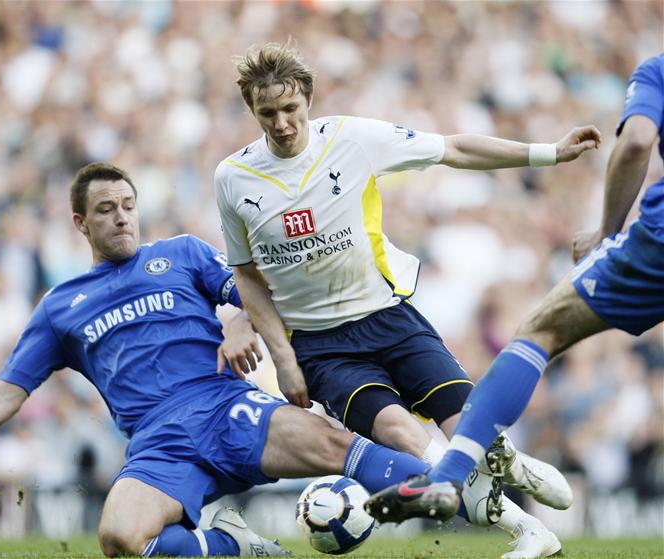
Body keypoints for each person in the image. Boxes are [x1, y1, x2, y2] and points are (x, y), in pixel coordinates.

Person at [0, 162, 462, 558]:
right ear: (81, 223)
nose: (122, 217)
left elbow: (260, 292)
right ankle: (231, 546)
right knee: (120, 540)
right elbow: (11, 387)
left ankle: (457, 491)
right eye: (105, 209)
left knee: (340, 448)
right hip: (158, 441)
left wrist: (236, 322)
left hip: (222, 405)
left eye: (128, 205)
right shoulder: (61, 307)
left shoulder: (180, 255)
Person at [214, 42, 600, 558]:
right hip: (321, 346)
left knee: (467, 429)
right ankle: (529, 531)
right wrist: (284, 360)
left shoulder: (352, 138)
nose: (282, 123)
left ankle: (510, 460)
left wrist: (549, 152)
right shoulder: (233, 178)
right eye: (268, 113)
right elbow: (246, 273)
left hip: (388, 315)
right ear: (251, 111)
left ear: (308, 99)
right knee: (403, 436)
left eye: (291, 110)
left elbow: (455, 149)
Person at [371, 53, 664, 529]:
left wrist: (606, 231)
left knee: (540, 331)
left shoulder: (658, 70)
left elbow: (635, 144)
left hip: (657, 244)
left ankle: (448, 476)